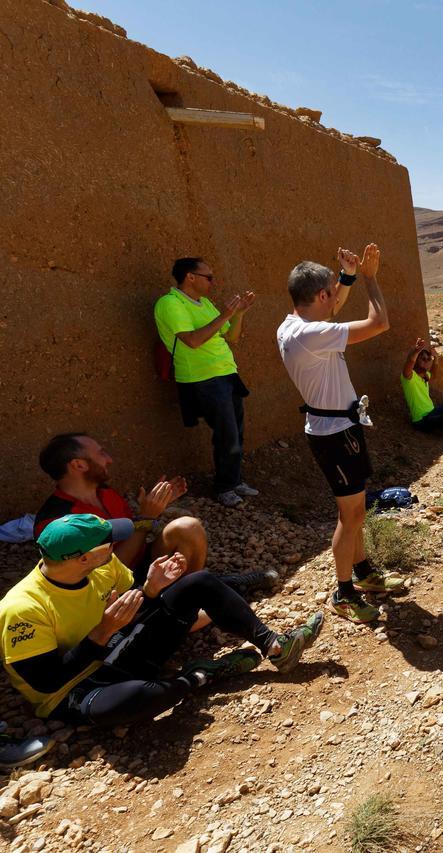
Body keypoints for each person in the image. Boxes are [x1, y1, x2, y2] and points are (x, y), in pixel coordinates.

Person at [0, 514, 325, 727]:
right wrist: (101, 633)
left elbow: (132, 618)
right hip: (74, 689)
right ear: (83, 558)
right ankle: (198, 677)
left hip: (115, 647)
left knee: (199, 582)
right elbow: (46, 682)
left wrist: (151, 591)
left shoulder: (102, 565)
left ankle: (275, 646)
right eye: (107, 543)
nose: (115, 547)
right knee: (138, 699)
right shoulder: (22, 609)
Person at [277, 245, 404, 624]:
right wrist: (369, 278)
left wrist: (345, 277)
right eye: (332, 291)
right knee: (349, 516)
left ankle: (364, 574)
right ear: (319, 295)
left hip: (334, 427)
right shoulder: (312, 335)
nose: (337, 299)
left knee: (356, 510)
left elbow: (329, 311)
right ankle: (344, 592)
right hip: (335, 433)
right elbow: (379, 322)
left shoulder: (291, 326)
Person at [33, 433, 273, 595]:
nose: (109, 459)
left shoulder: (105, 493)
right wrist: (146, 518)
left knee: (187, 527)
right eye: (101, 453)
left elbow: (131, 539)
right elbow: (108, 574)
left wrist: (152, 509)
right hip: (110, 591)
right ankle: (207, 595)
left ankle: (199, 591)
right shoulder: (56, 521)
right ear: (78, 465)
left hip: (141, 568)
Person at [154, 257, 258, 507]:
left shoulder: (205, 304)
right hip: (203, 378)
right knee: (227, 434)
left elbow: (231, 338)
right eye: (208, 277)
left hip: (226, 374)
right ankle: (224, 487)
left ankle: (234, 480)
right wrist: (226, 314)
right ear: (190, 277)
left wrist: (239, 315)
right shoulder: (170, 304)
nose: (213, 282)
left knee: (236, 431)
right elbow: (192, 340)